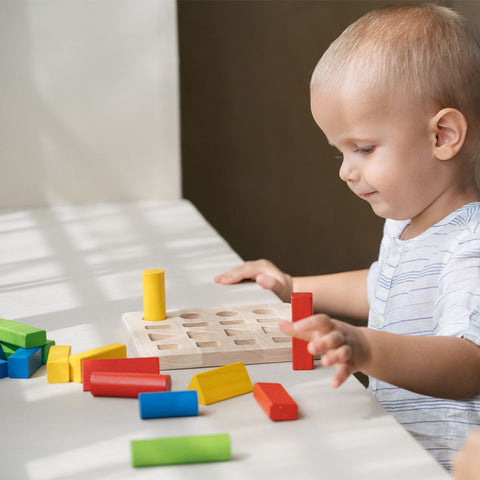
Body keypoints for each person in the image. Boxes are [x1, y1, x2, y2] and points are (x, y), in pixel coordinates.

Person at [214, 3, 480, 472]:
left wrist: (366, 348)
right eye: (340, 151)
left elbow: (467, 361)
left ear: (443, 135)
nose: (346, 170)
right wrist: (294, 287)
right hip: (402, 452)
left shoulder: (470, 245)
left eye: (363, 148)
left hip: (446, 465)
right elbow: (382, 286)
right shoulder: (407, 224)